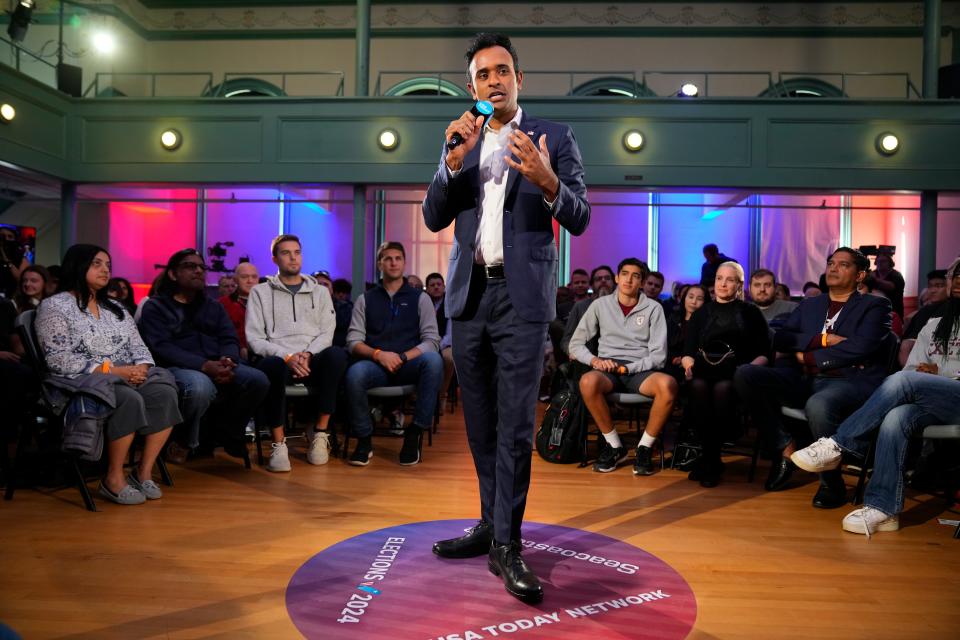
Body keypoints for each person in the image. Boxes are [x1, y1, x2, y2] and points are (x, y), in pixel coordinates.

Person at [422, 32, 590, 604]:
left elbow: (582, 215)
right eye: (483, 74)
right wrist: (451, 163)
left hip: (522, 303)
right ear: (472, 87)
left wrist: (546, 180)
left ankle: (508, 543)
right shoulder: (460, 139)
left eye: (503, 71)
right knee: (480, 424)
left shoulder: (554, 137)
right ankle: (490, 524)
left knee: (516, 427)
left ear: (519, 79)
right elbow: (432, 216)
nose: (493, 80)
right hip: (469, 300)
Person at [790, 258, 960, 536]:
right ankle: (884, 509)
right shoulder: (934, 325)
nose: (959, 282)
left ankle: (840, 445)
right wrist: (924, 374)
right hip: (934, 399)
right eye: (956, 275)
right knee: (896, 416)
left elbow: (911, 379)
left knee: (904, 381)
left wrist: (937, 375)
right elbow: (912, 370)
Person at [734, 248, 892, 508]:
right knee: (746, 374)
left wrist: (806, 357)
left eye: (843, 265)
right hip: (804, 379)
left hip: (848, 381)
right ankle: (785, 446)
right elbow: (782, 338)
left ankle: (831, 482)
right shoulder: (811, 304)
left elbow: (861, 347)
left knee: (818, 405)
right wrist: (822, 339)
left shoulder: (875, 306)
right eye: (831, 263)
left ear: (860, 274)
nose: (833, 268)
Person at [35, 244, 180, 505]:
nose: (105, 270)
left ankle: (143, 471)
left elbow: (139, 347)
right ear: (77, 266)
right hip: (77, 379)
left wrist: (140, 369)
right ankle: (113, 477)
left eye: (108, 265)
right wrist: (114, 371)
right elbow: (59, 359)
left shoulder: (116, 308)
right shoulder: (54, 306)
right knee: (127, 397)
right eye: (97, 264)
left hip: (124, 374)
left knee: (164, 392)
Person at [139, 249, 269, 464]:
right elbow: (161, 347)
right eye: (190, 266)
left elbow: (229, 338)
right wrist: (204, 365)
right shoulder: (156, 307)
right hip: (177, 366)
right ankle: (183, 441)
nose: (199, 270)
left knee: (258, 380)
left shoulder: (213, 306)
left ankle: (229, 432)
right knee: (200, 386)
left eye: (201, 267)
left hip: (217, 363)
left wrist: (228, 360)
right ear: (173, 274)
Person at [246, 235, 349, 472]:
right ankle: (279, 444)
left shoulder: (320, 292)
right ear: (275, 258)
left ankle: (320, 435)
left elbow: (327, 331)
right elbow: (255, 339)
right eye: (286, 253)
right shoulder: (260, 292)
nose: (293, 257)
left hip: (313, 359)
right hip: (279, 361)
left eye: (297, 252)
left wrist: (308, 354)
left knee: (336, 355)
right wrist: (287, 357)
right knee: (272, 365)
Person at [569, 258, 676, 475]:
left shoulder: (654, 308)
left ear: (642, 282)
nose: (629, 279)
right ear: (617, 278)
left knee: (669, 385)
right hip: (609, 369)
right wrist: (595, 361)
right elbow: (575, 344)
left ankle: (644, 448)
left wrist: (631, 368)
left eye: (635, 276)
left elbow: (659, 356)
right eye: (625, 274)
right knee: (588, 381)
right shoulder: (599, 305)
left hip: (641, 369)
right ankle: (615, 447)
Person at [344, 241, 442, 466]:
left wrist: (404, 356)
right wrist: (379, 355)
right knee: (354, 374)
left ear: (404, 263)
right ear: (380, 264)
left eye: (398, 258)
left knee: (434, 361)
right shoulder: (365, 299)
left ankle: (414, 432)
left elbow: (432, 341)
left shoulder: (421, 298)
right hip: (375, 365)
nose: (393, 262)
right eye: (387, 258)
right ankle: (364, 438)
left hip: (409, 363)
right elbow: (353, 341)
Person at [682, 262, 770, 487]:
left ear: (739, 285)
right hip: (704, 369)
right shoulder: (702, 313)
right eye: (719, 278)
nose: (722, 284)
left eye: (729, 280)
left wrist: (749, 371)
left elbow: (765, 353)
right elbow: (688, 351)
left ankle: (709, 458)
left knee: (722, 389)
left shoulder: (750, 313)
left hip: (736, 371)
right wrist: (688, 364)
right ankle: (712, 457)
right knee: (698, 386)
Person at [559, 264, 615, 358]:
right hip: (586, 359)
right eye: (598, 279)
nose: (603, 281)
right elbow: (567, 339)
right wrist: (572, 352)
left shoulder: (622, 306)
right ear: (592, 285)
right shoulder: (580, 306)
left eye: (607, 278)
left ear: (614, 283)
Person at [425, 272, 456, 406]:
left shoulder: (451, 302)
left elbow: (450, 334)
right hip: (425, 343)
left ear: (444, 286)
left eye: (439, 284)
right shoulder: (422, 302)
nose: (436, 287)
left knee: (448, 358)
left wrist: (437, 346)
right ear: (427, 288)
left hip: (445, 344)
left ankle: (441, 395)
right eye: (432, 285)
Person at [219, 261, 259, 361]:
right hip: (236, 354)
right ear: (236, 280)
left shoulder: (267, 302)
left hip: (264, 351)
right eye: (245, 277)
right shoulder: (223, 304)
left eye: (254, 277)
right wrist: (240, 347)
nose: (250, 281)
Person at [666, 284, 706, 382]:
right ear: (684, 298)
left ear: (705, 302)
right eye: (690, 297)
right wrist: (673, 358)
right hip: (671, 364)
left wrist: (688, 360)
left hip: (695, 365)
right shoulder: (673, 319)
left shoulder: (707, 324)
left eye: (699, 299)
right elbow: (663, 344)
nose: (693, 302)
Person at [866, 252, 905, 319]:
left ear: (890, 263)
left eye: (883, 261)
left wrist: (876, 279)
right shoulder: (873, 274)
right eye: (878, 261)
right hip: (875, 312)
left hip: (893, 312)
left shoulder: (896, 275)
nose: (880, 263)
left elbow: (892, 287)